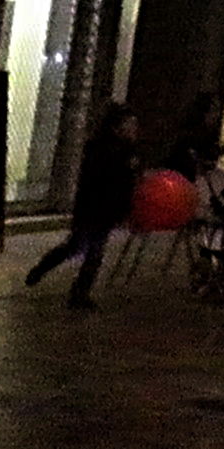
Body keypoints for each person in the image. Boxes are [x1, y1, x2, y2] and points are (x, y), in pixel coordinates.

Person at [24, 106, 138, 309]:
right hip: (94, 208)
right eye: (130, 125)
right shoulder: (105, 150)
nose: (134, 129)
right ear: (117, 127)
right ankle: (51, 275)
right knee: (78, 247)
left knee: (90, 250)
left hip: (105, 210)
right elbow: (104, 179)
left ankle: (78, 292)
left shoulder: (126, 152)